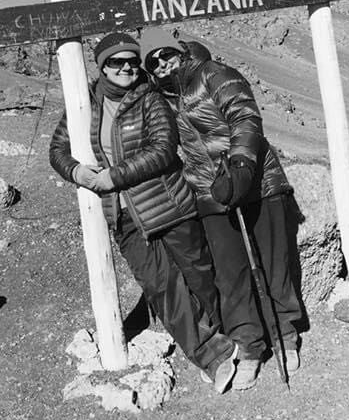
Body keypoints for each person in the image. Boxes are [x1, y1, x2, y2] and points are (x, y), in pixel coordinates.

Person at [49, 32, 238, 392]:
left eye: (132, 61)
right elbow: (58, 149)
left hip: (169, 204)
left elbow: (164, 149)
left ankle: (225, 332)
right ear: (102, 66)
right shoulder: (84, 102)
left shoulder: (149, 98)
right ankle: (212, 355)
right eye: (116, 62)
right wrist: (76, 172)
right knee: (161, 286)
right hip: (125, 218)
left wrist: (113, 177)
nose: (126, 68)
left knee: (199, 276)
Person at [140, 27, 304, 391]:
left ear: (179, 51)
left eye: (166, 54)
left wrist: (243, 165)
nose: (163, 65)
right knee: (230, 274)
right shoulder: (160, 99)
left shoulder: (213, 74)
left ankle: (284, 335)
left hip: (258, 183)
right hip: (209, 192)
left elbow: (244, 116)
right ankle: (248, 345)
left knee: (273, 264)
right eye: (154, 63)